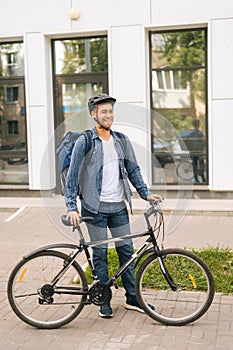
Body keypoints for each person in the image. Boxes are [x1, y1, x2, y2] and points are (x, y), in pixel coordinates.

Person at [65, 93, 161, 318]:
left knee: (126, 251)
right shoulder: (85, 141)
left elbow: (133, 170)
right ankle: (104, 299)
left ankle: (131, 297)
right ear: (94, 114)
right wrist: (71, 206)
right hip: (94, 208)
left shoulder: (121, 139)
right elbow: (73, 174)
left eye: (110, 111)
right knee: (100, 254)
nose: (108, 115)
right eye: (104, 111)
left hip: (118, 206)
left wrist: (145, 194)